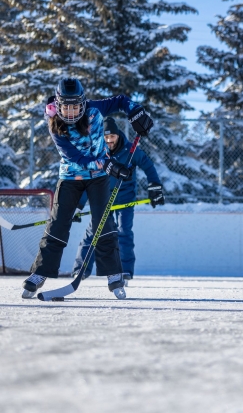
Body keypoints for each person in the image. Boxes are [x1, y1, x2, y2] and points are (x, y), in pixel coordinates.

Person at [21, 78, 153, 300]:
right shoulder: (55, 125)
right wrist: (108, 164)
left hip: (98, 179)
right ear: (58, 104)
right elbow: (77, 158)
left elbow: (121, 101)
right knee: (58, 224)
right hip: (71, 177)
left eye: (75, 106)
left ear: (83, 103)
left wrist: (136, 112)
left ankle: (114, 274)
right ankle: (40, 272)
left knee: (104, 222)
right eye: (66, 106)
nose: (71, 111)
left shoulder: (94, 109)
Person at [72, 116, 164, 283]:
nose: (109, 140)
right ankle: (81, 269)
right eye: (106, 137)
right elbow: (88, 178)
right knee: (94, 233)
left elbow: (148, 166)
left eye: (112, 137)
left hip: (125, 201)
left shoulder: (131, 150)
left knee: (124, 233)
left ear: (118, 135)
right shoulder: (97, 152)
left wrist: (155, 186)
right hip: (102, 200)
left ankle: (125, 271)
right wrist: (78, 205)